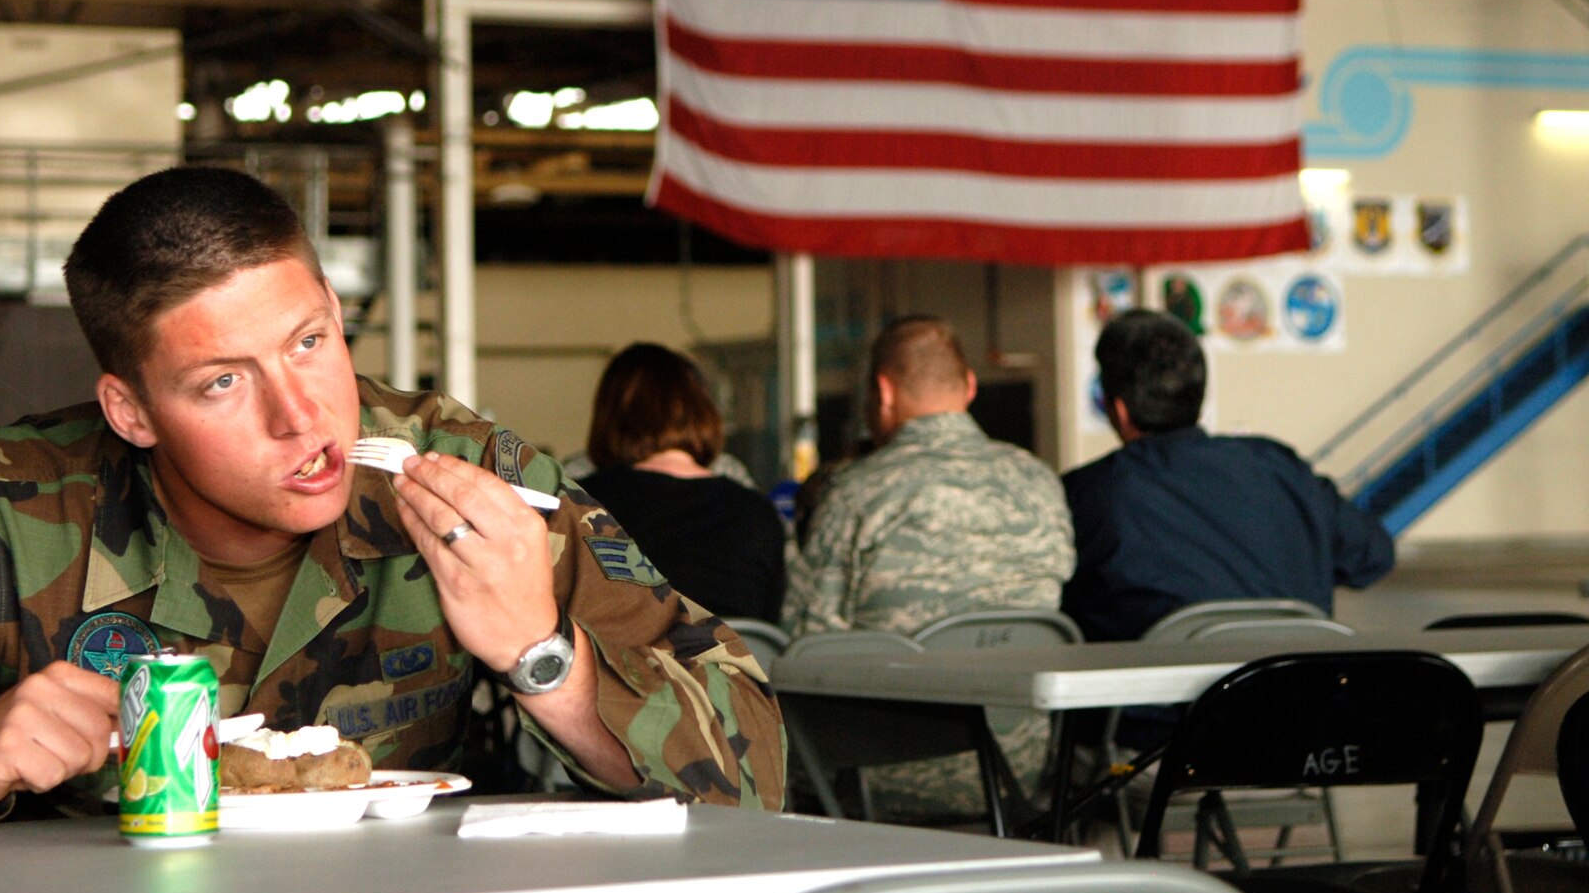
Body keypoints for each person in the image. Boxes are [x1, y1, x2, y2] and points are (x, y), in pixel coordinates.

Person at [0, 166, 786, 842]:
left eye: (311, 343)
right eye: (220, 382)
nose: (304, 418)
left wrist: (546, 655)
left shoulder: (464, 474)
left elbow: (753, 775)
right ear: (132, 409)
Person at [785, 315, 1074, 822]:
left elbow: (805, 647)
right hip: (1020, 772)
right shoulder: (1040, 483)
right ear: (969, 387)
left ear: (883, 393)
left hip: (880, 779)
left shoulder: (856, 493)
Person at [1062, 308, 1395, 647]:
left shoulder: (1088, 493)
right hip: (1301, 695)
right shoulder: (1279, 467)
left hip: (1168, 700)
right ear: (1198, 396)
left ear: (1119, 409)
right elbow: (1373, 556)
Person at [577, 343, 786, 623]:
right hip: (728, 666)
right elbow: (773, 630)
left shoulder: (579, 505)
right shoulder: (757, 514)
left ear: (608, 420)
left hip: (618, 667)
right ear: (703, 412)